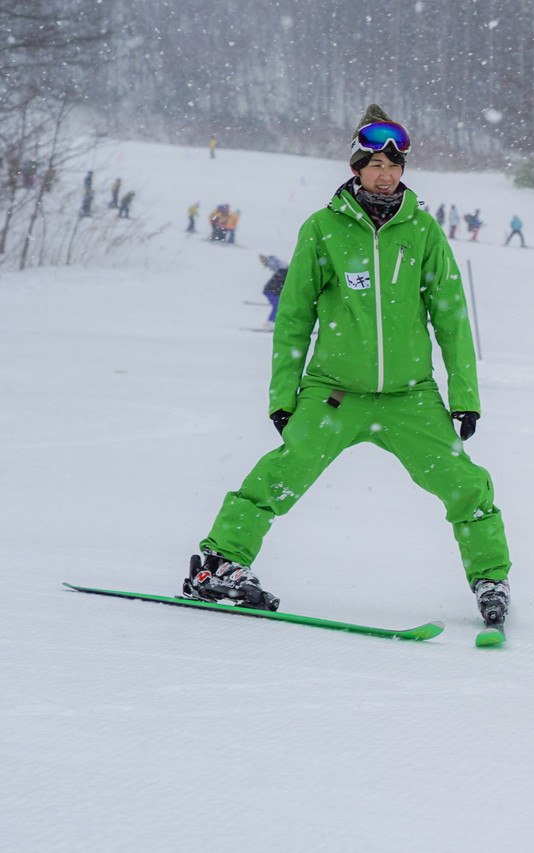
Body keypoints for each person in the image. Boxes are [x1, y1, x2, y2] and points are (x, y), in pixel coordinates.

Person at [183, 104, 512, 632]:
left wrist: (465, 395)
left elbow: (451, 319)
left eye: (395, 165)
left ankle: (490, 579)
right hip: (334, 392)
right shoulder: (323, 229)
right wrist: (283, 396)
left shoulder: (422, 231)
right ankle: (220, 564)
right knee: (281, 475)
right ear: (356, 169)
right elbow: (294, 317)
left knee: (466, 486)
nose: (386, 174)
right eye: (375, 164)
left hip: (411, 397)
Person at [258, 253, 288, 330]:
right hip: (271, 291)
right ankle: (269, 323)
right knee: (278, 306)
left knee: (280, 306)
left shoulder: (285, 271)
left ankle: (275, 323)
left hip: (272, 291)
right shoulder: (285, 272)